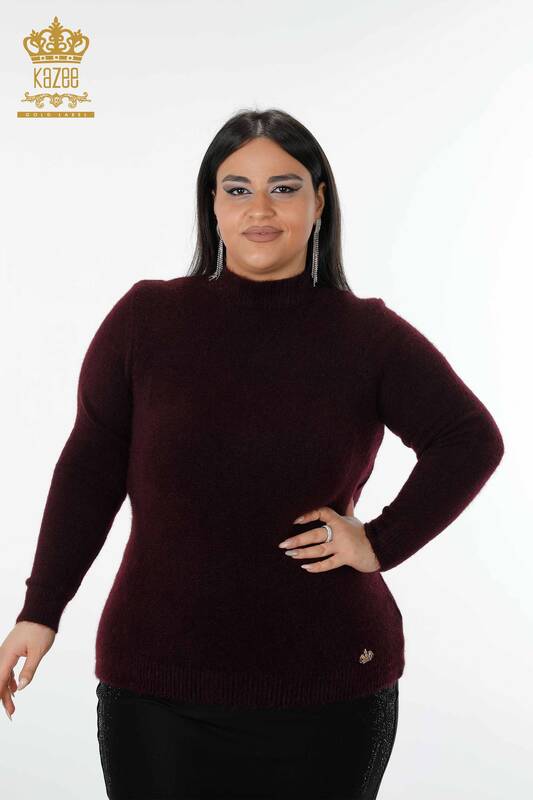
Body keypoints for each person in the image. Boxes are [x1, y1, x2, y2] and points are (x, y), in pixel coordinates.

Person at [1, 108, 504, 799]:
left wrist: (379, 542)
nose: (259, 209)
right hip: (157, 685)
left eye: (283, 188)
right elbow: (90, 468)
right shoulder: (146, 321)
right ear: (211, 203)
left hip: (330, 689)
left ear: (319, 200)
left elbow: (470, 439)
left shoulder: (367, 336)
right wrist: (41, 609)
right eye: (236, 189)